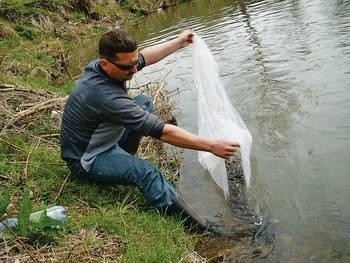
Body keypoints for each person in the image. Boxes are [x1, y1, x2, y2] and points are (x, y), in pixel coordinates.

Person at [60, 28, 239, 232]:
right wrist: (210, 145)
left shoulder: (103, 66)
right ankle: (198, 229)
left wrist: (178, 42)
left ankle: (124, 155)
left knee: (143, 103)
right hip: (86, 160)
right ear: (105, 63)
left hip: (101, 141)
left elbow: (145, 58)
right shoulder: (105, 96)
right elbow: (162, 131)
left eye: (135, 63)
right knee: (147, 173)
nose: (135, 70)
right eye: (128, 66)